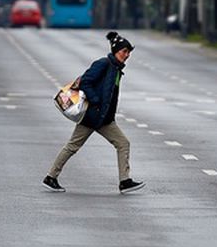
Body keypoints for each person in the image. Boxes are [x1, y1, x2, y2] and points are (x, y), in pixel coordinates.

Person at [43, 31, 145, 195]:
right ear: (115, 51)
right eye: (124, 52)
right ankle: (50, 177)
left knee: (123, 143)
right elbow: (85, 82)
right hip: (92, 116)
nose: (126, 55)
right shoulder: (103, 64)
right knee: (72, 146)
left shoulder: (116, 69)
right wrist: (96, 101)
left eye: (128, 53)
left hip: (105, 119)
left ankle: (125, 181)